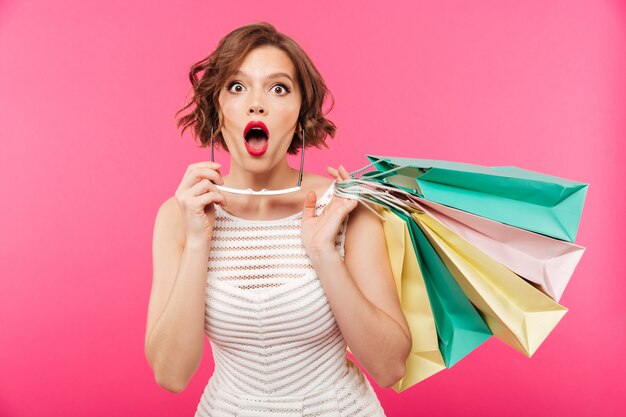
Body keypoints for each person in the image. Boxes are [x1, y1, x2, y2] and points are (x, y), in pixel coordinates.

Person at [144, 22, 412, 416]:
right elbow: (171, 375)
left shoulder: (346, 208)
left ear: (301, 114)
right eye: (237, 87)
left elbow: (390, 368)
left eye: (278, 88)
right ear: (217, 110)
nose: (256, 103)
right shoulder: (179, 215)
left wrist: (324, 254)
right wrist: (199, 240)